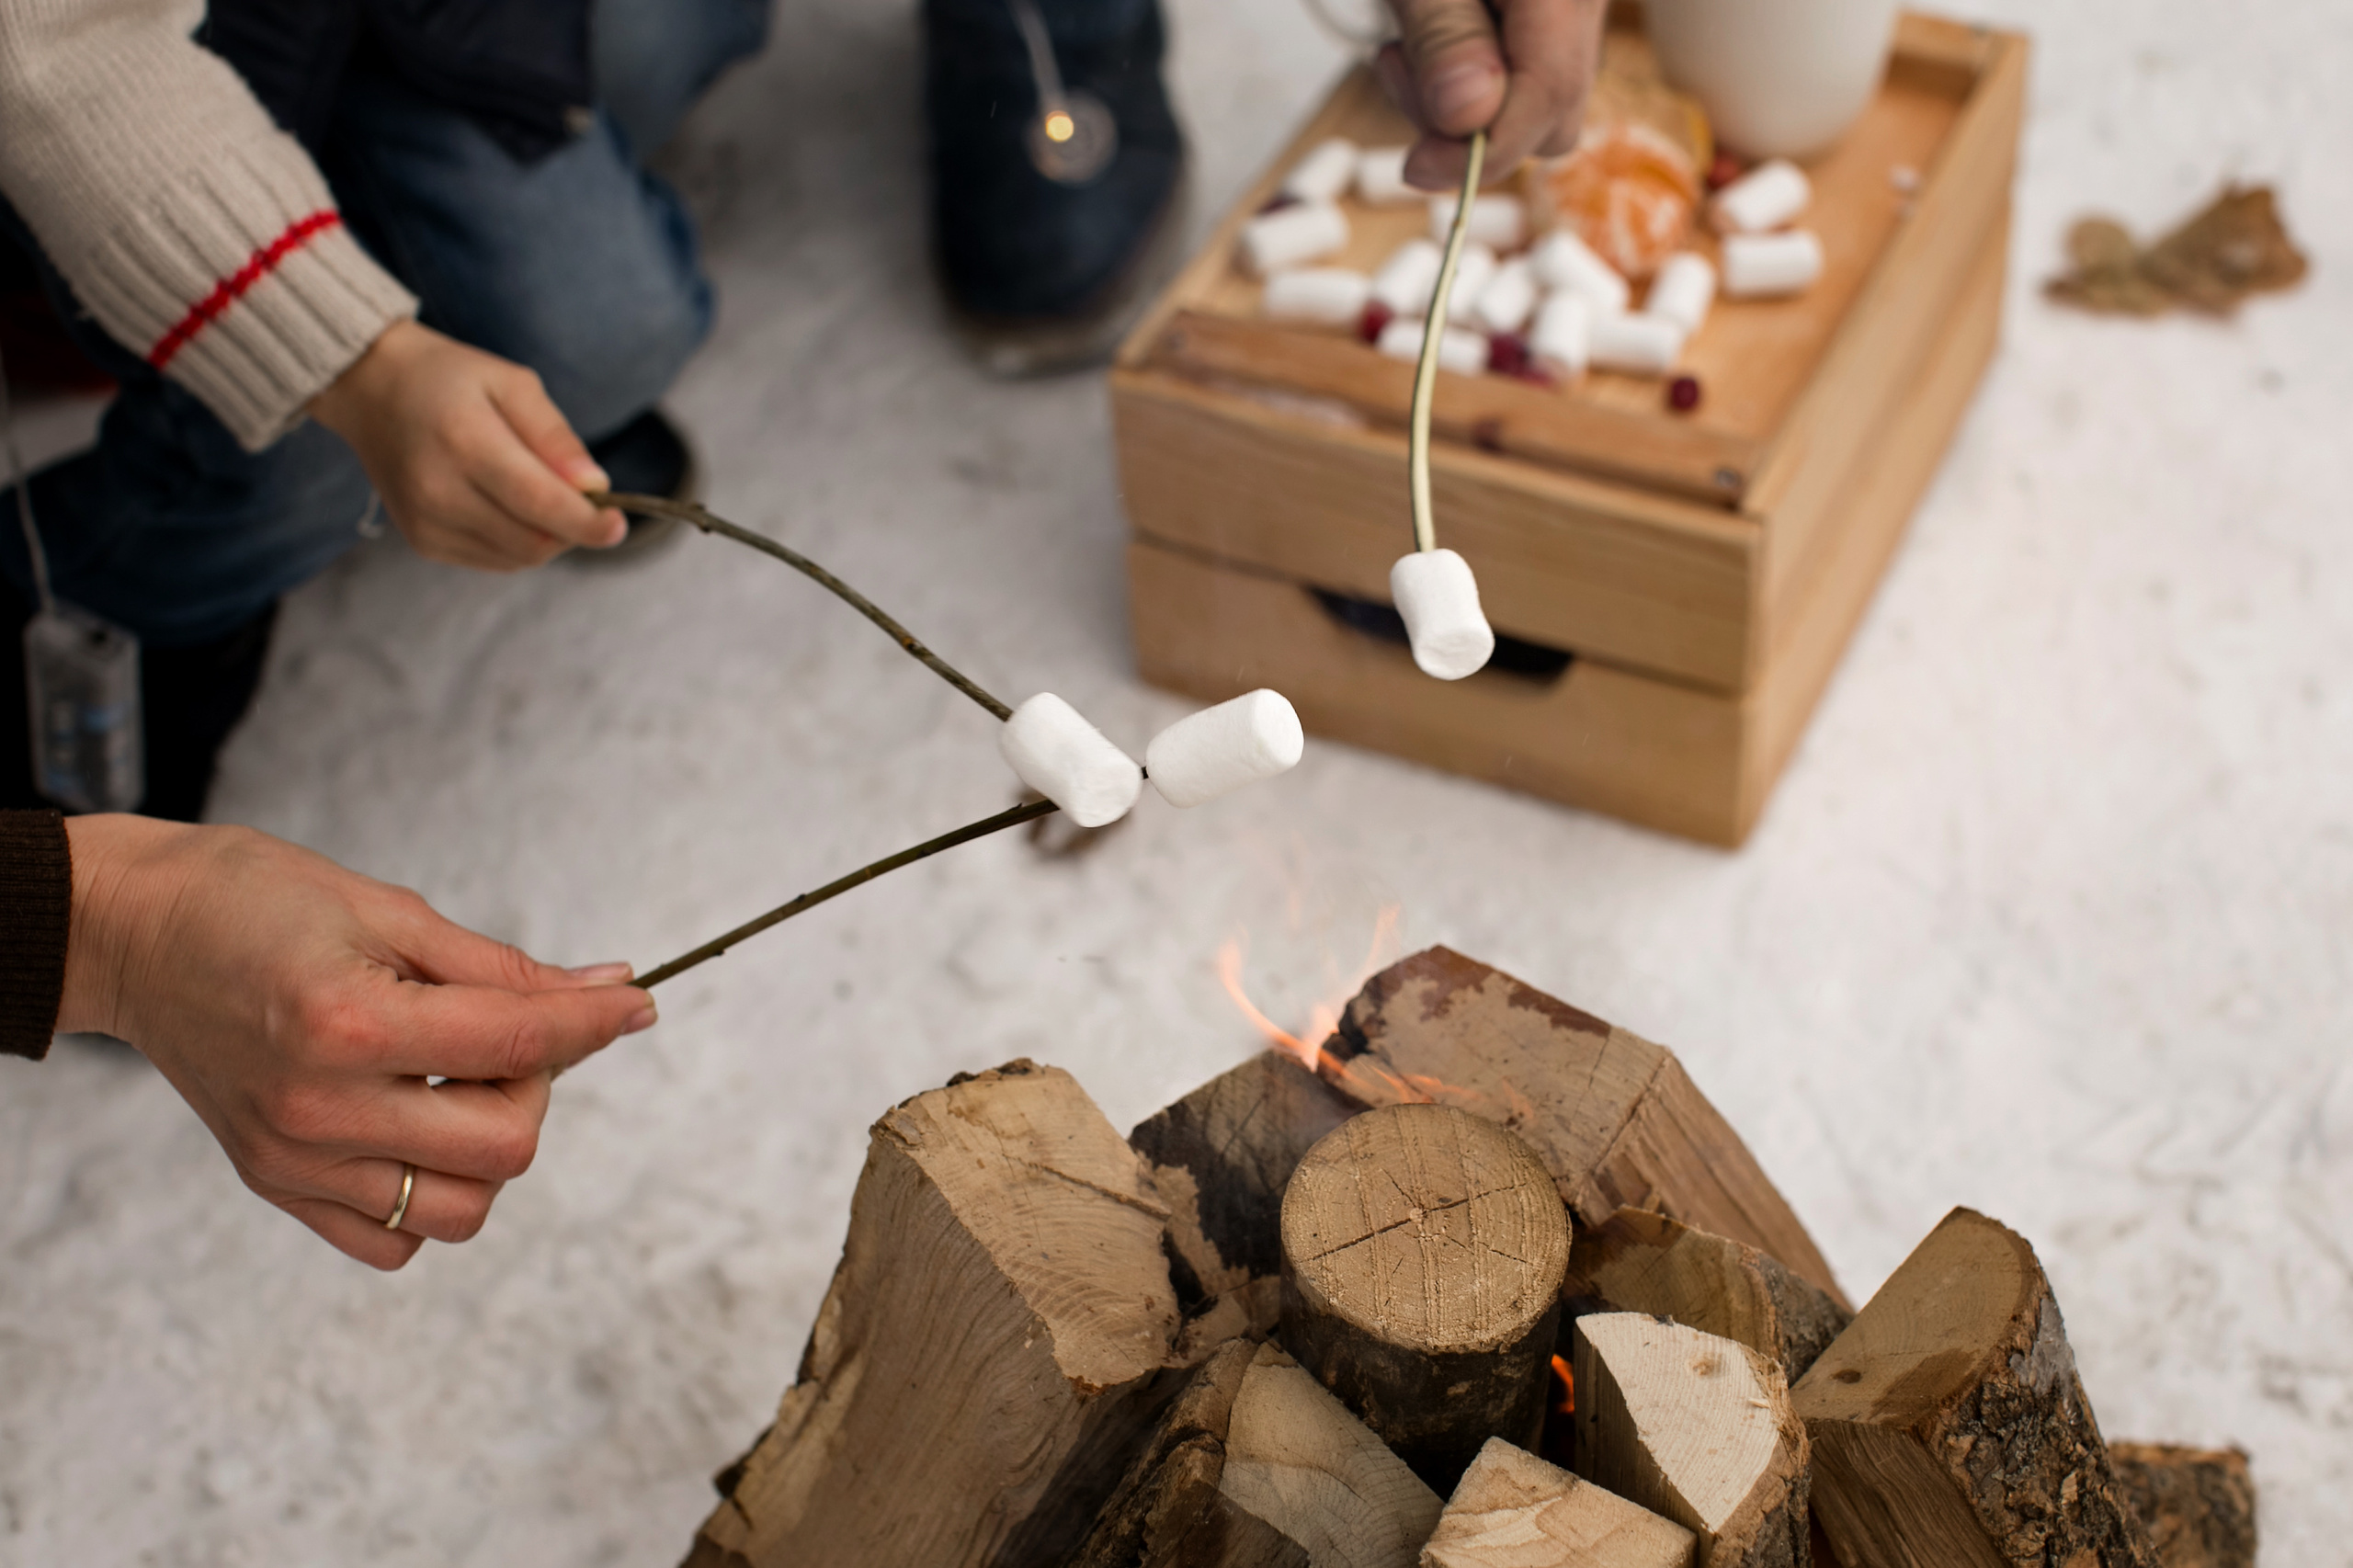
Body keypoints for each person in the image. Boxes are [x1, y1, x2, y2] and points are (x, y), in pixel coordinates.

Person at [0, 0, 1603, 1269]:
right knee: (308, 445)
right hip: (112, 76)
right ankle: (114, 582)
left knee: (607, 302)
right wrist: (110, 927)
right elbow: (57, 46)